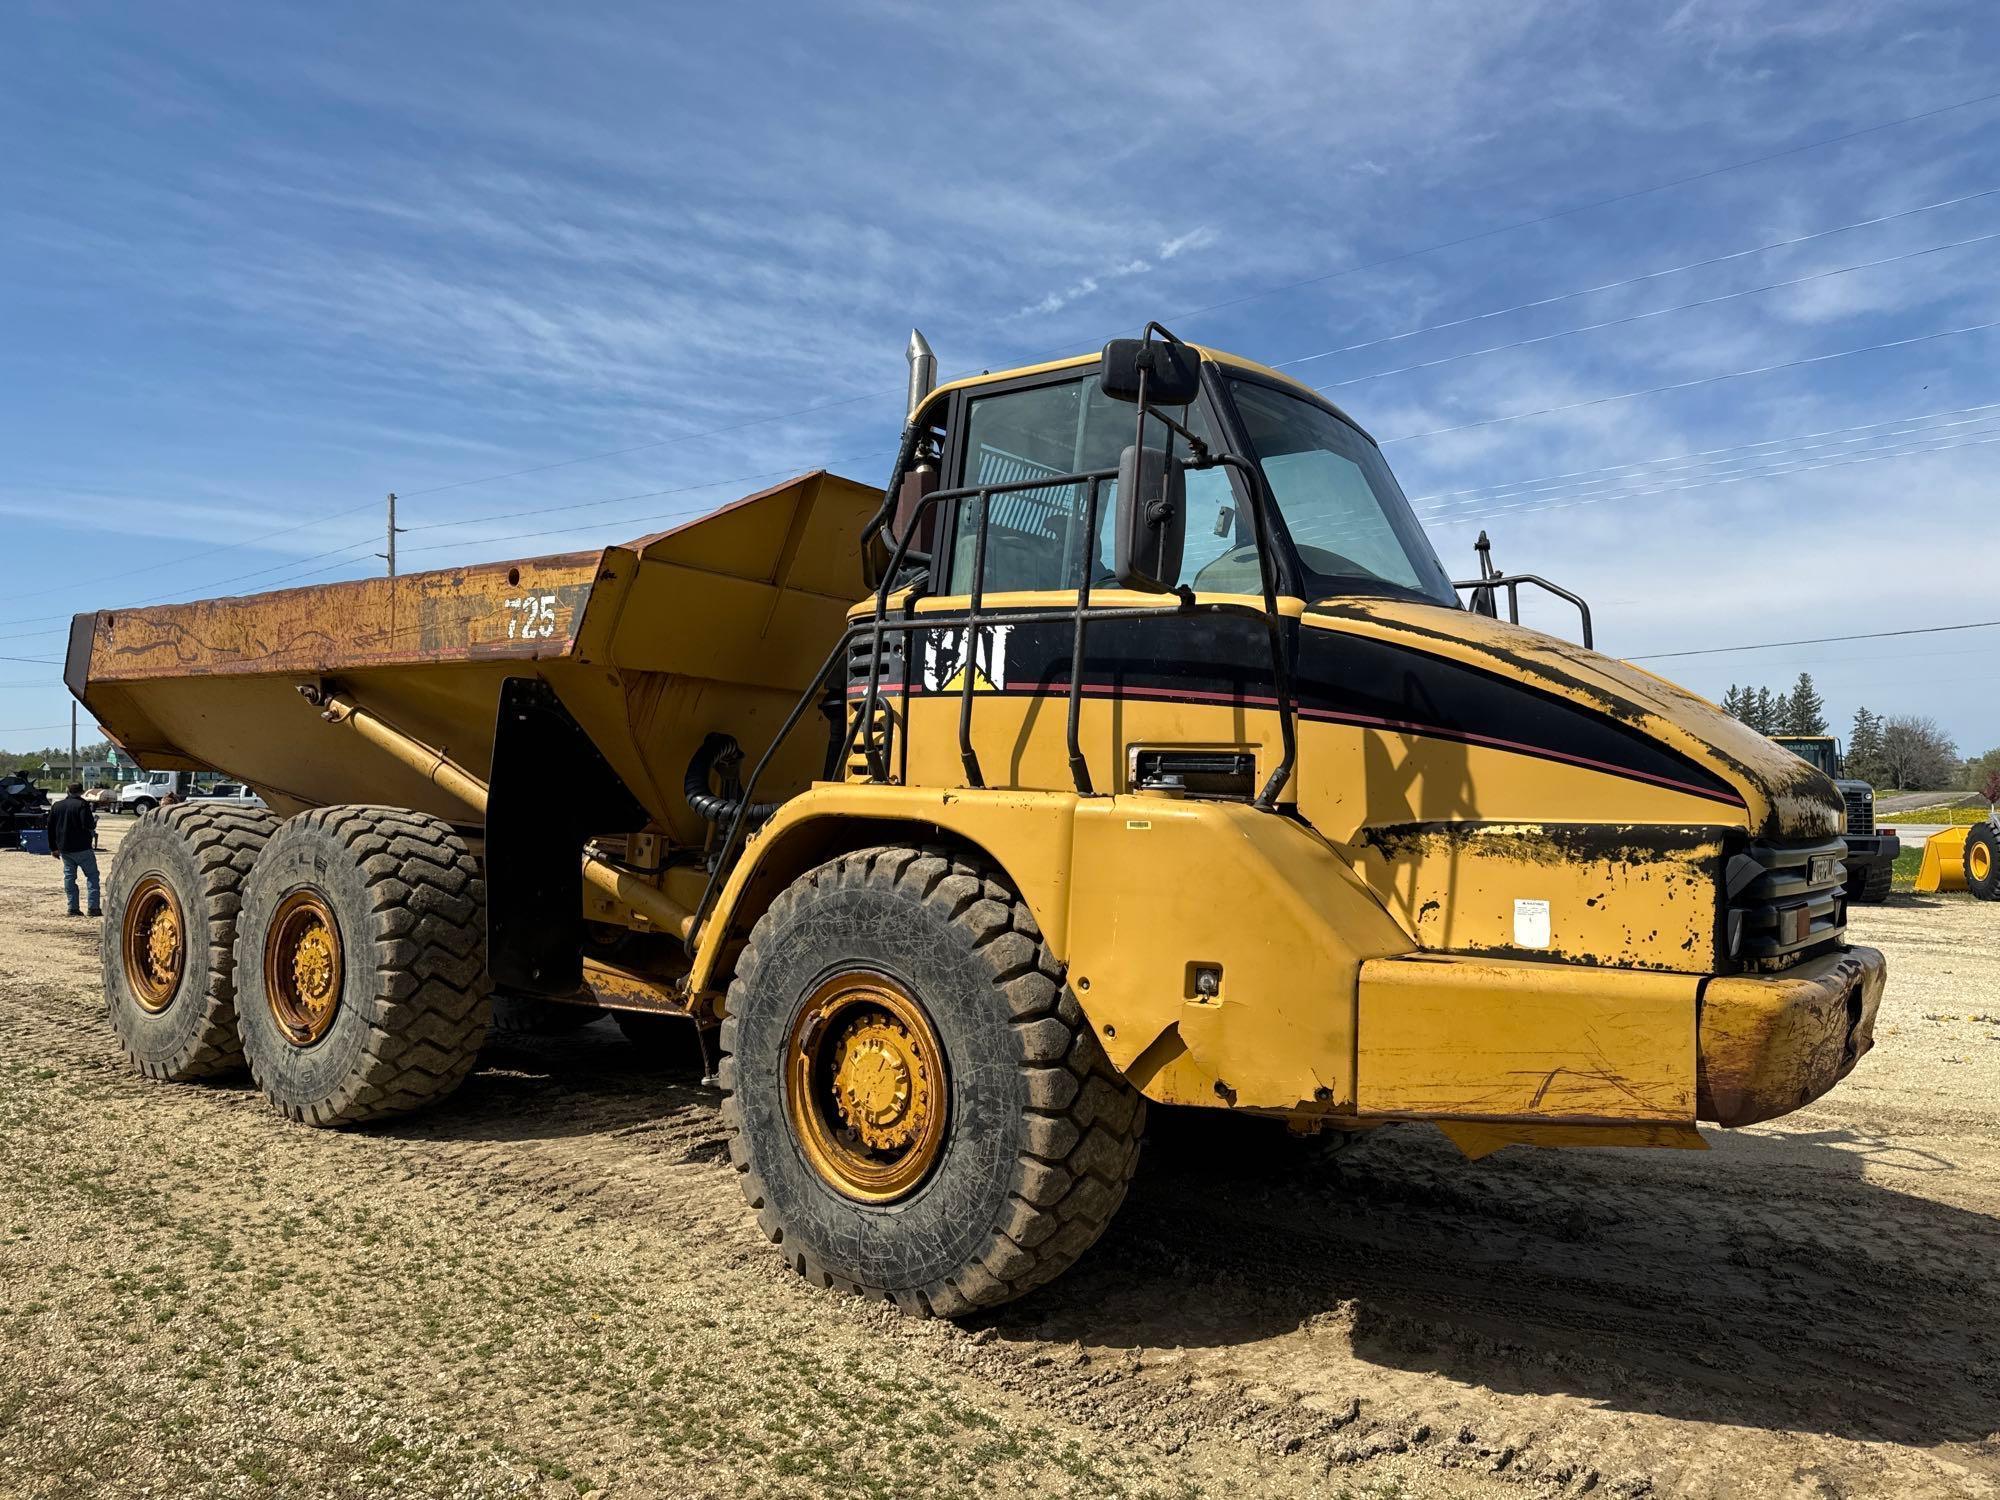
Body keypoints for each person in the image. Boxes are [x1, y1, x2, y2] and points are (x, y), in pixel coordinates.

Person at [46, 782, 100, 918]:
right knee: (92, 876)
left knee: (70, 877)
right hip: (82, 847)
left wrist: (53, 848)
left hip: (65, 848)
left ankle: (73, 907)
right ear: (81, 792)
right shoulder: (82, 805)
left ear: (67, 790)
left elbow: (50, 828)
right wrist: (94, 821)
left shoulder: (57, 806)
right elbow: (87, 824)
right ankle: (93, 908)